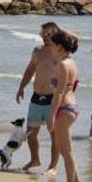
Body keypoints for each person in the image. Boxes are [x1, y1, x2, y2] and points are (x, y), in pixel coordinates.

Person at [14, 21, 61, 172]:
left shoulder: (60, 52)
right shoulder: (37, 51)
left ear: (55, 34)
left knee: (54, 134)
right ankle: (35, 159)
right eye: (42, 34)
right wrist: (21, 88)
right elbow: (29, 71)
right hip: (36, 97)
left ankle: (53, 166)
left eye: (48, 34)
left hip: (52, 99)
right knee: (31, 133)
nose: (44, 37)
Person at [47, 28, 81, 182]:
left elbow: (59, 92)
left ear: (60, 46)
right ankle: (76, 181)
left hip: (64, 108)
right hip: (71, 107)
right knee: (63, 147)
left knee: (66, 150)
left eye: (53, 45)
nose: (51, 47)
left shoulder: (62, 64)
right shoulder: (72, 62)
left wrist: (51, 116)